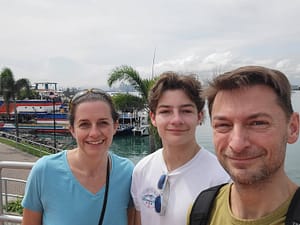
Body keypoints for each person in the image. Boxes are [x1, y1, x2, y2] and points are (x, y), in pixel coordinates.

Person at [189, 65, 300, 224]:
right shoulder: (201, 212)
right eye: (223, 125)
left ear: (293, 128)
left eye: (257, 123)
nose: (237, 144)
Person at [22, 89, 135, 225]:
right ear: (72, 130)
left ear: (115, 126)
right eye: (84, 125)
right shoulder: (44, 172)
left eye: (103, 123)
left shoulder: (127, 173)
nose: (94, 133)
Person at [131, 72, 230, 225]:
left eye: (186, 111)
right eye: (165, 111)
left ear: (199, 117)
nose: (176, 120)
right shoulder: (142, 170)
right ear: (153, 118)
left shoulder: (221, 178)